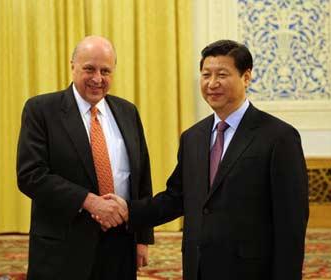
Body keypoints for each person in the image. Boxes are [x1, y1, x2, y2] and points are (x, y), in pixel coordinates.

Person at [104, 39, 309, 280]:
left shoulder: (278, 137)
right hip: (199, 267)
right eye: (205, 74)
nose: (212, 83)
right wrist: (129, 210)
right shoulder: (193, 137)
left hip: (251, 270)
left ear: (246, 77)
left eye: (222, 74)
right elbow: (176, 197)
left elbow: (291, 223)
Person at [16, 35, 154, 280]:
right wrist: (89, 201)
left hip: (120, 243)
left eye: (106, 71)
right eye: (89, 69)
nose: (97, 79)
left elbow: (141, 178)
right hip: (63, 247)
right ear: (72, 66)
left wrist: (142, 238)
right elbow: (31, 175)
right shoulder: (41, 110)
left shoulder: (127, 111)